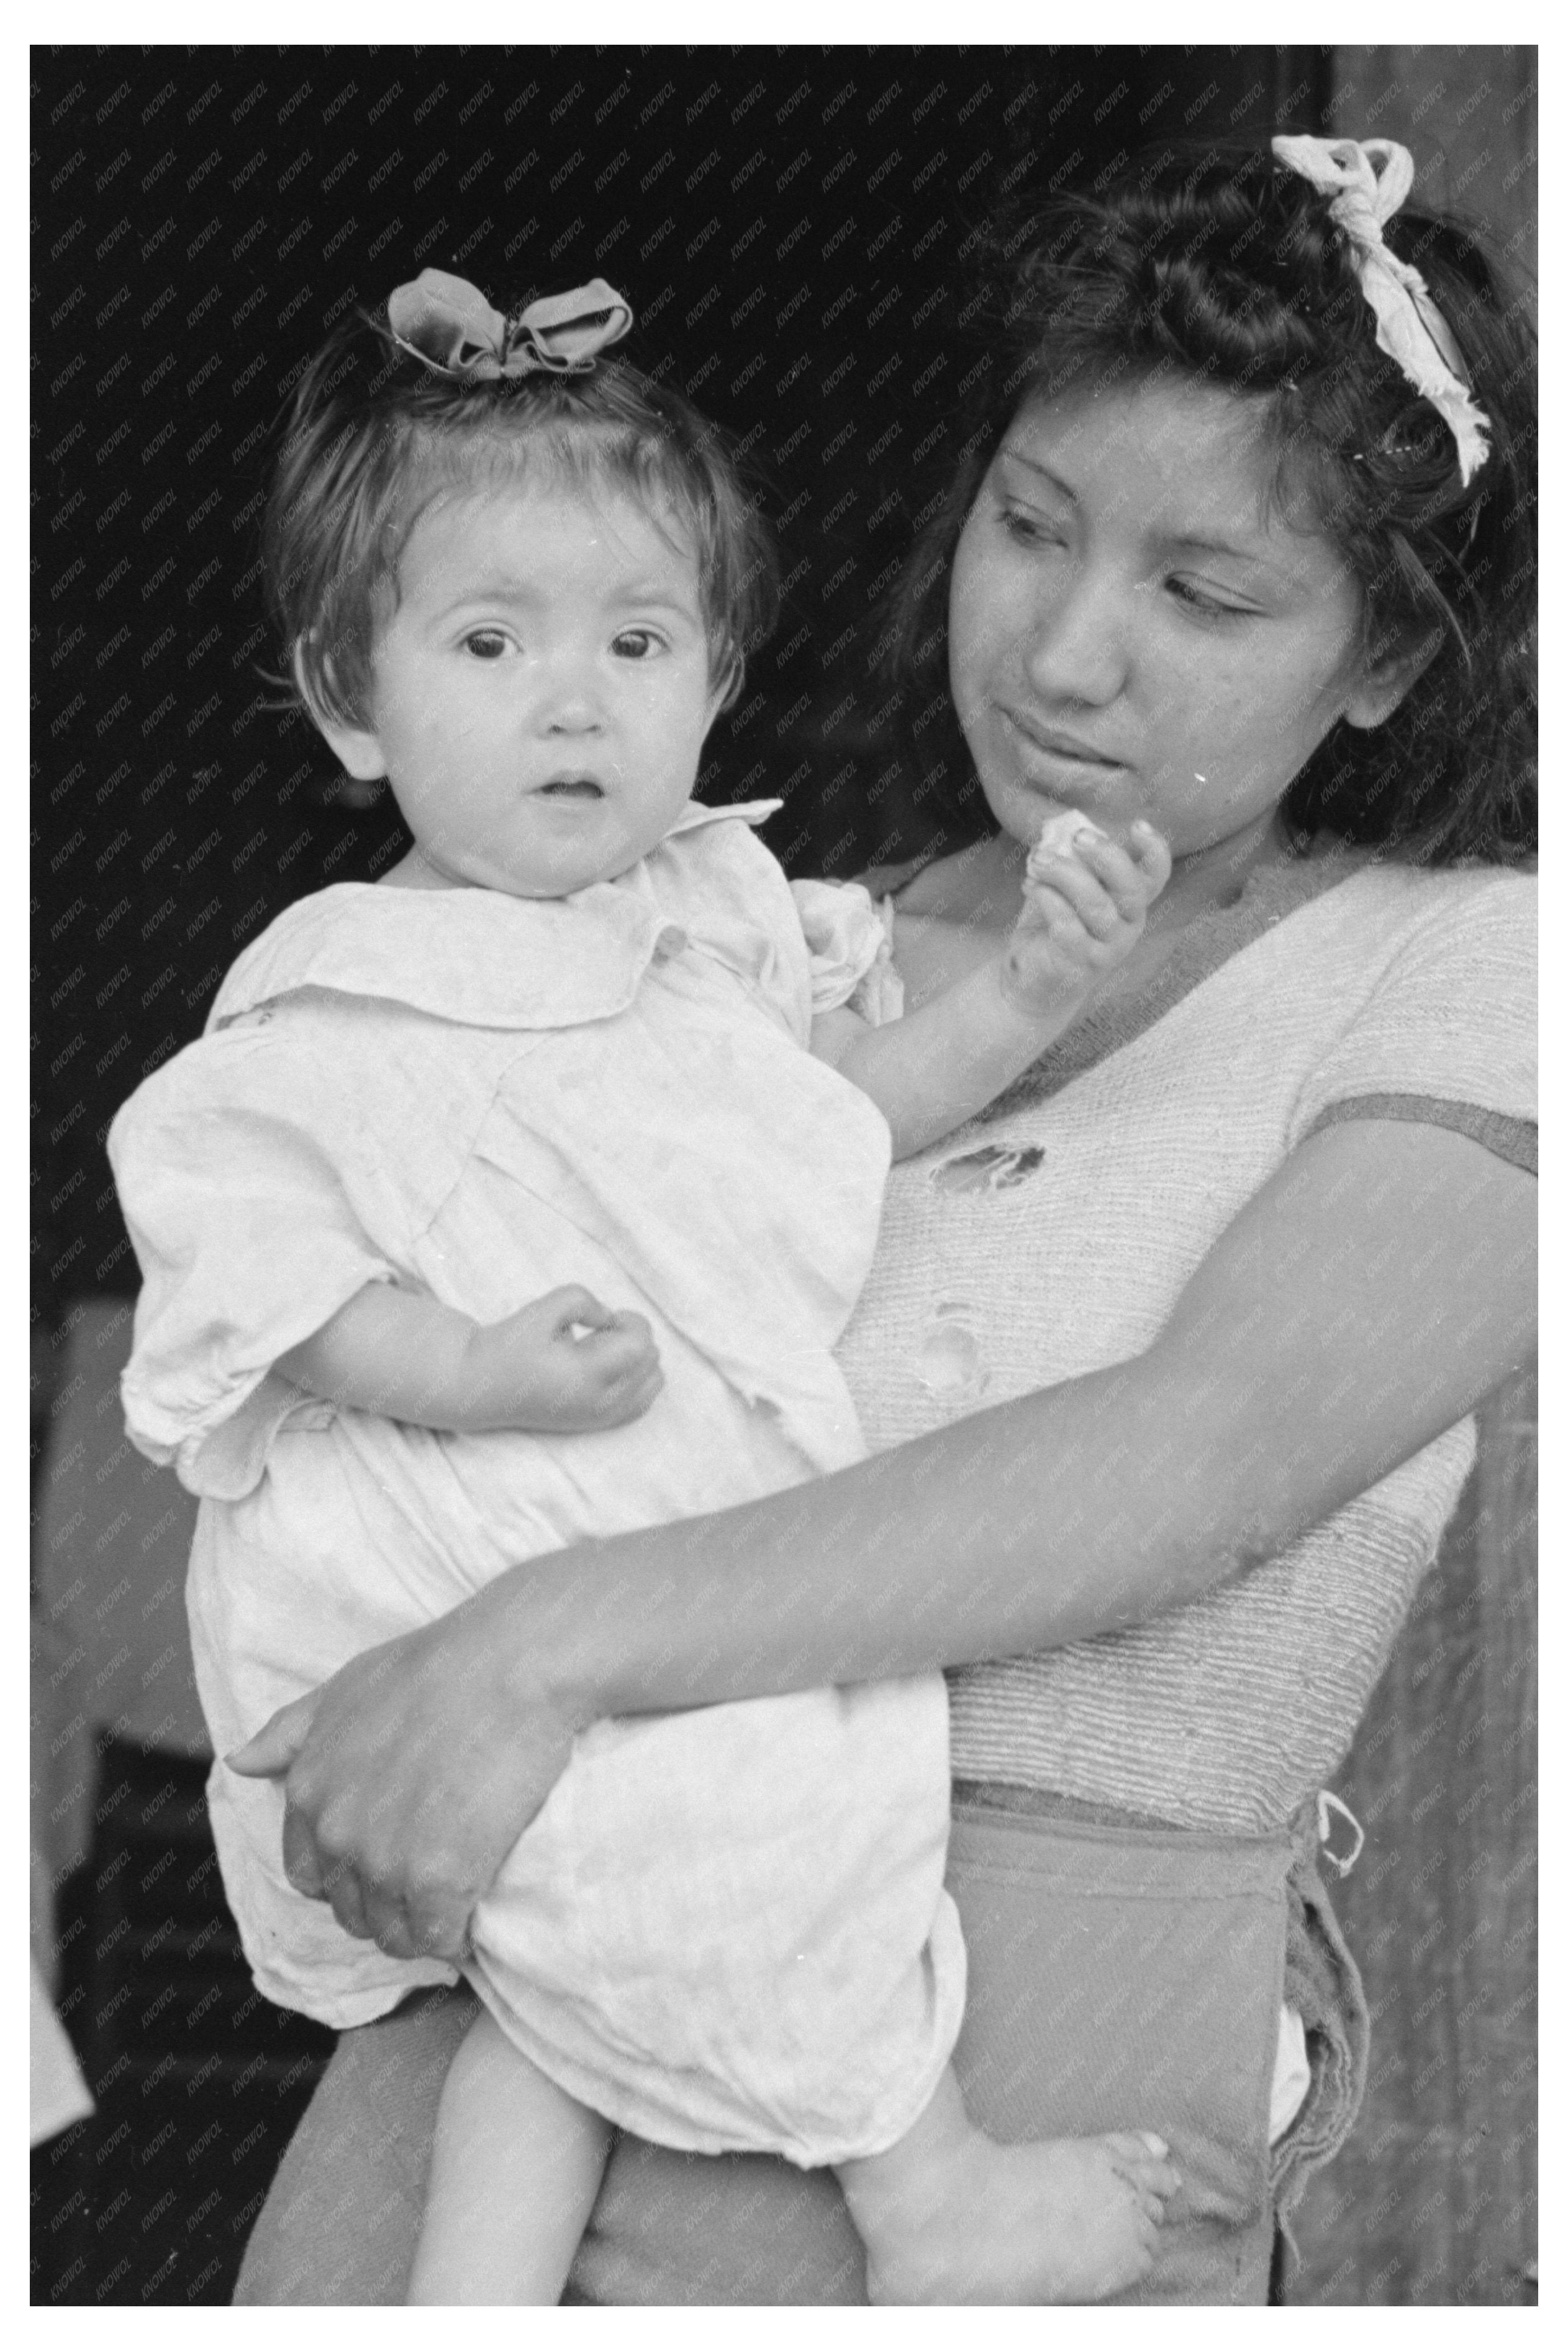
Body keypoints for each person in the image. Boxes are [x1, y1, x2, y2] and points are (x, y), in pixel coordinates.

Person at [228, 135, 1535, 2306]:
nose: (1068, 649)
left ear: (1389, 660)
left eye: (1204, 594)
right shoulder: (747, 950)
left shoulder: (1470, 975)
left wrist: (534, 1645)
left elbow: (1193, 1465)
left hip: (1021, 2112)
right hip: (506, 2071)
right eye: (1031, 524)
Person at [109, 268, 1179, 2306]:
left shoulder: (717, 927)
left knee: (575, 1977)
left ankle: (472, 2303)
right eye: (491, 643)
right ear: (353, 698)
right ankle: (925, 2181)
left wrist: (1043, 982)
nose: (574, 699)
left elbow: (846, 1114)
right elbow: (262, 1279)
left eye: (636, 639)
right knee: (748, 1805)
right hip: (462, 1531)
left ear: (717, 675)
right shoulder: (331, 996)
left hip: (652, 1531)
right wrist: (471, 1362)